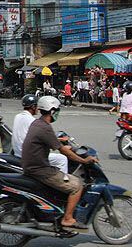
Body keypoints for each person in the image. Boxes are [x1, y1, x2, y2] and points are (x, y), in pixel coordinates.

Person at [21, 96, 98, 230]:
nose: (58, 113)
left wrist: (63, 144)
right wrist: (83, 160)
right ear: (51, 111)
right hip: (40, 170)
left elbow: (51, 142)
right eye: (57, 110)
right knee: (77, 185)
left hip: (33, 166)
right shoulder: (45, 128)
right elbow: (63, 151)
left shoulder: (37, 123)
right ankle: (67, 219)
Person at [12, 94, 68, 173]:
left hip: (17, 152)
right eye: (37, 106)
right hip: (28, 155)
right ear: (33, 107)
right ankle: (62, 183)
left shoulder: (17, 116)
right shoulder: (32, 121)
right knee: (62, 159)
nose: (38, 109)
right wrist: (60, 140)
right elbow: (43, 137)